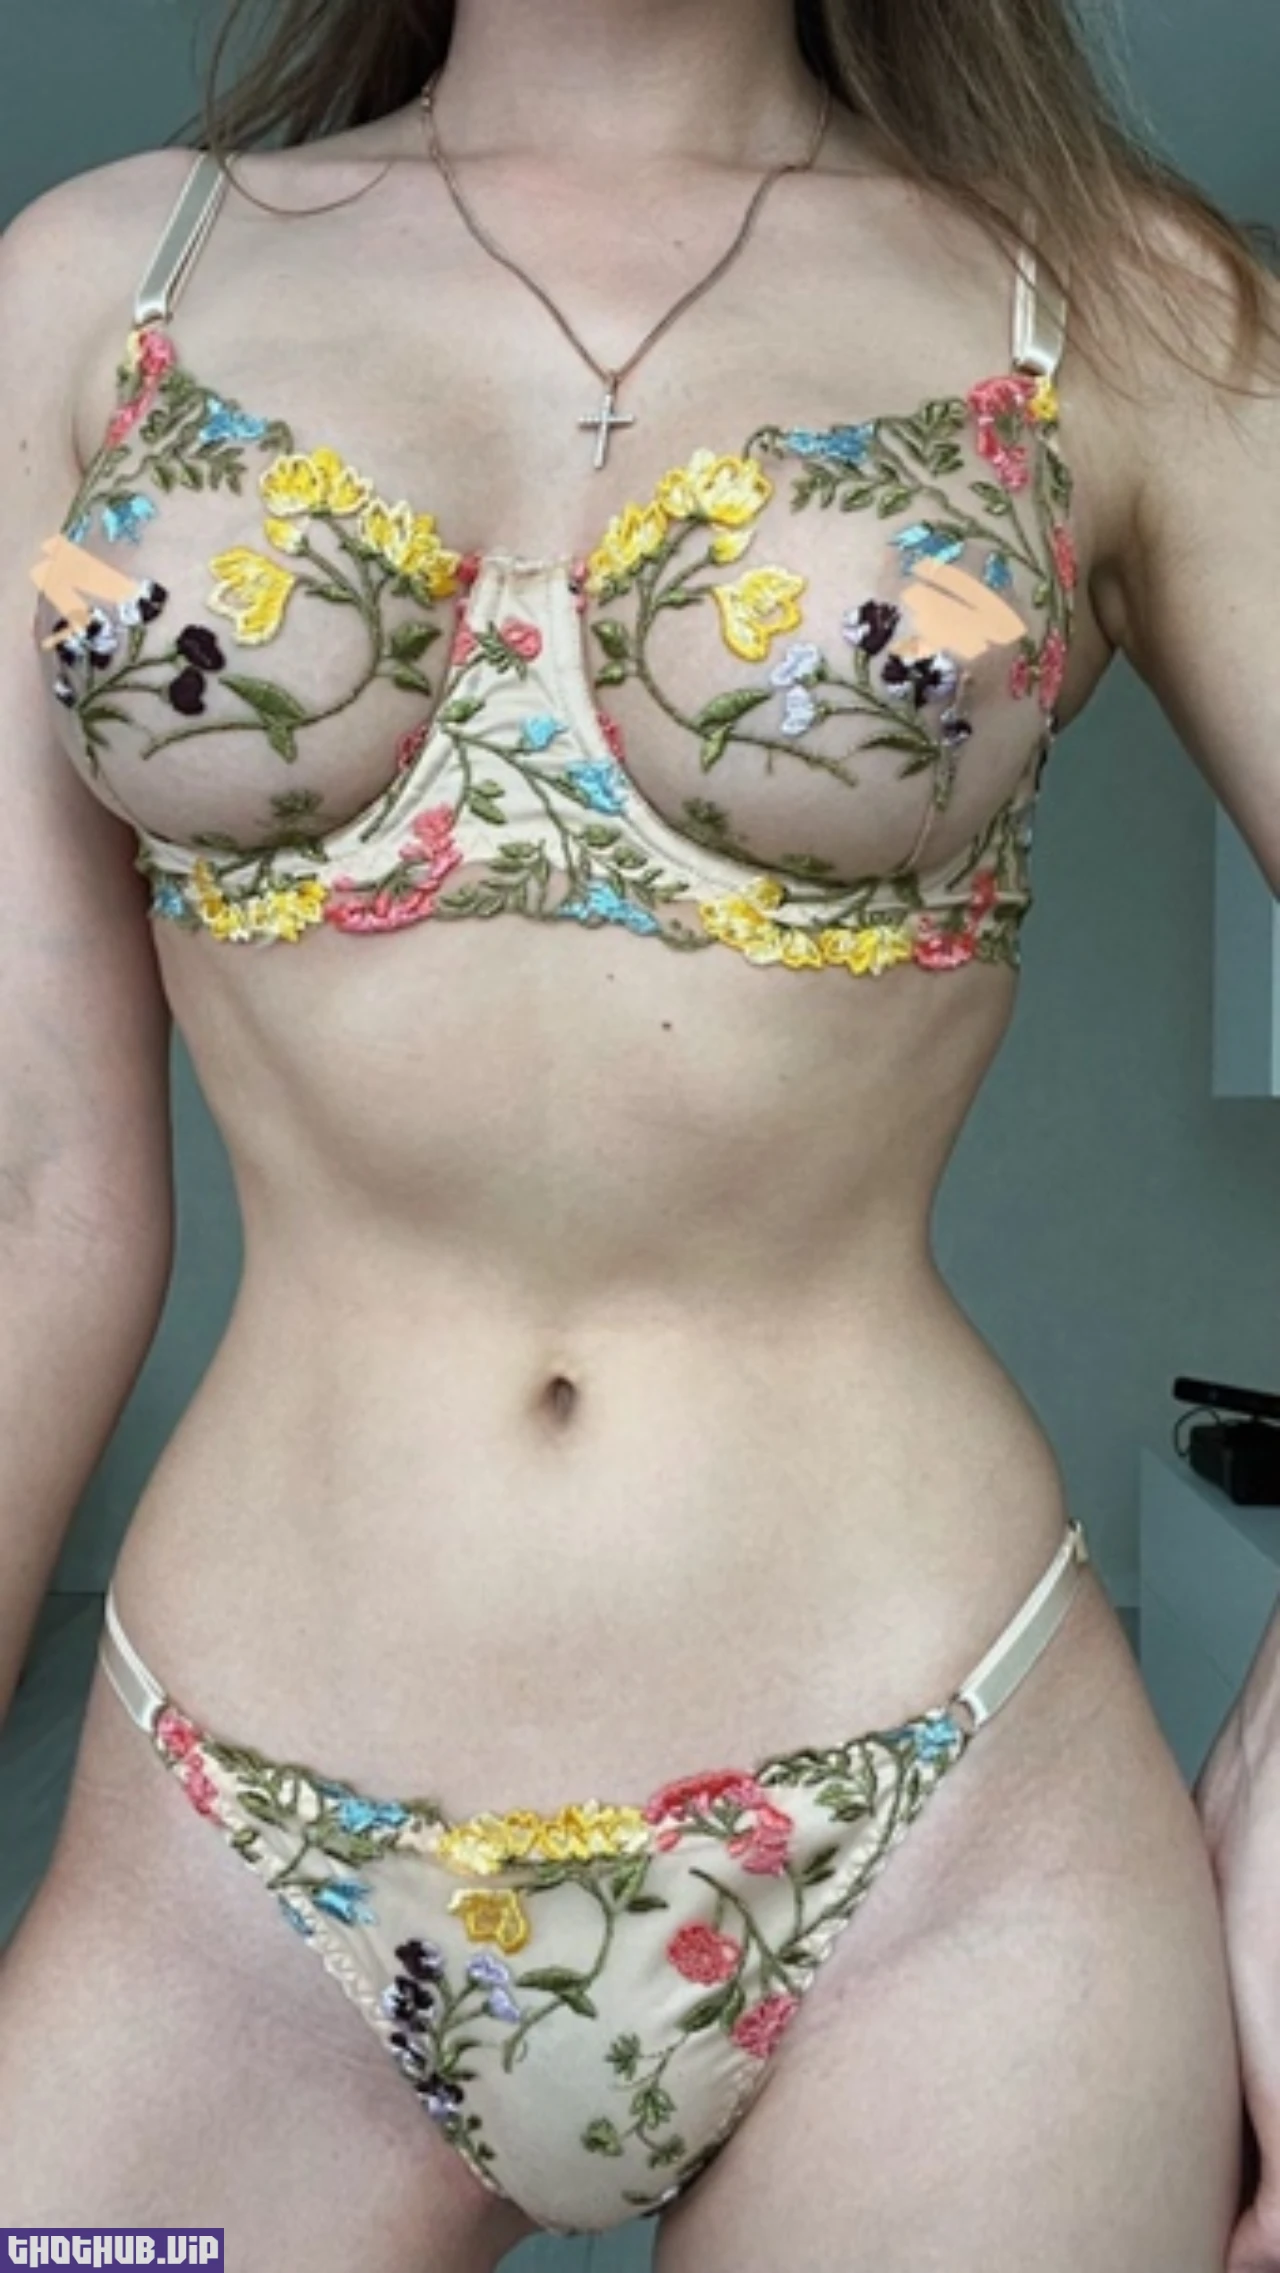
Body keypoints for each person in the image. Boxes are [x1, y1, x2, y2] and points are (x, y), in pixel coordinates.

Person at [0, 0, 1276, 2265]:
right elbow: (28, 1179)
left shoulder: (1114, 304)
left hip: (947, 1839)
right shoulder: (103, 289)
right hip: (226, 1861)